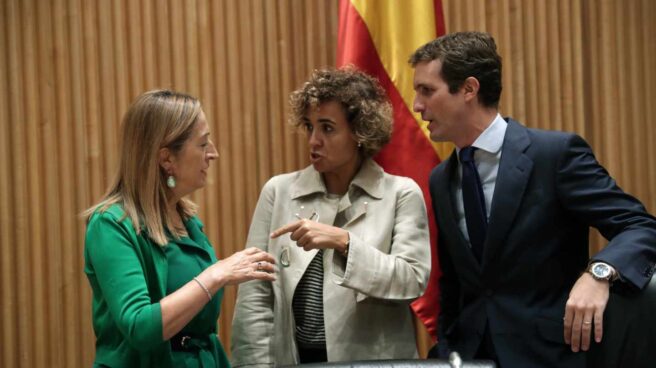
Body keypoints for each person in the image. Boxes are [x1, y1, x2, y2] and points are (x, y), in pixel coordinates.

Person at [409, 31, 656, 367]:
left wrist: (599, 272)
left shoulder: (554, 155)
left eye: (426, 91)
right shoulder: (441, 178)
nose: (417, 106)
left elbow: (639, 226)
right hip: (470, 357)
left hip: (547, 356)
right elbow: (454, 283)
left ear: (468, 89)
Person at [230, 67, 431, 366]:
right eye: (309, 127)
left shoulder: (400, 193)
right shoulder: (279, 191)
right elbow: (256, 299)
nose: (313, 140)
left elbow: (411, 280)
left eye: (327, 128)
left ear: (360, 133)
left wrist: (345, 243)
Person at [83, 89, 276, 368]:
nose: (214, 154)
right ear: (166, 159)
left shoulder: (187, 220)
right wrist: (215, 275)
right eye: (203, 144)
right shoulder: (111, 225)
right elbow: (139, 326)